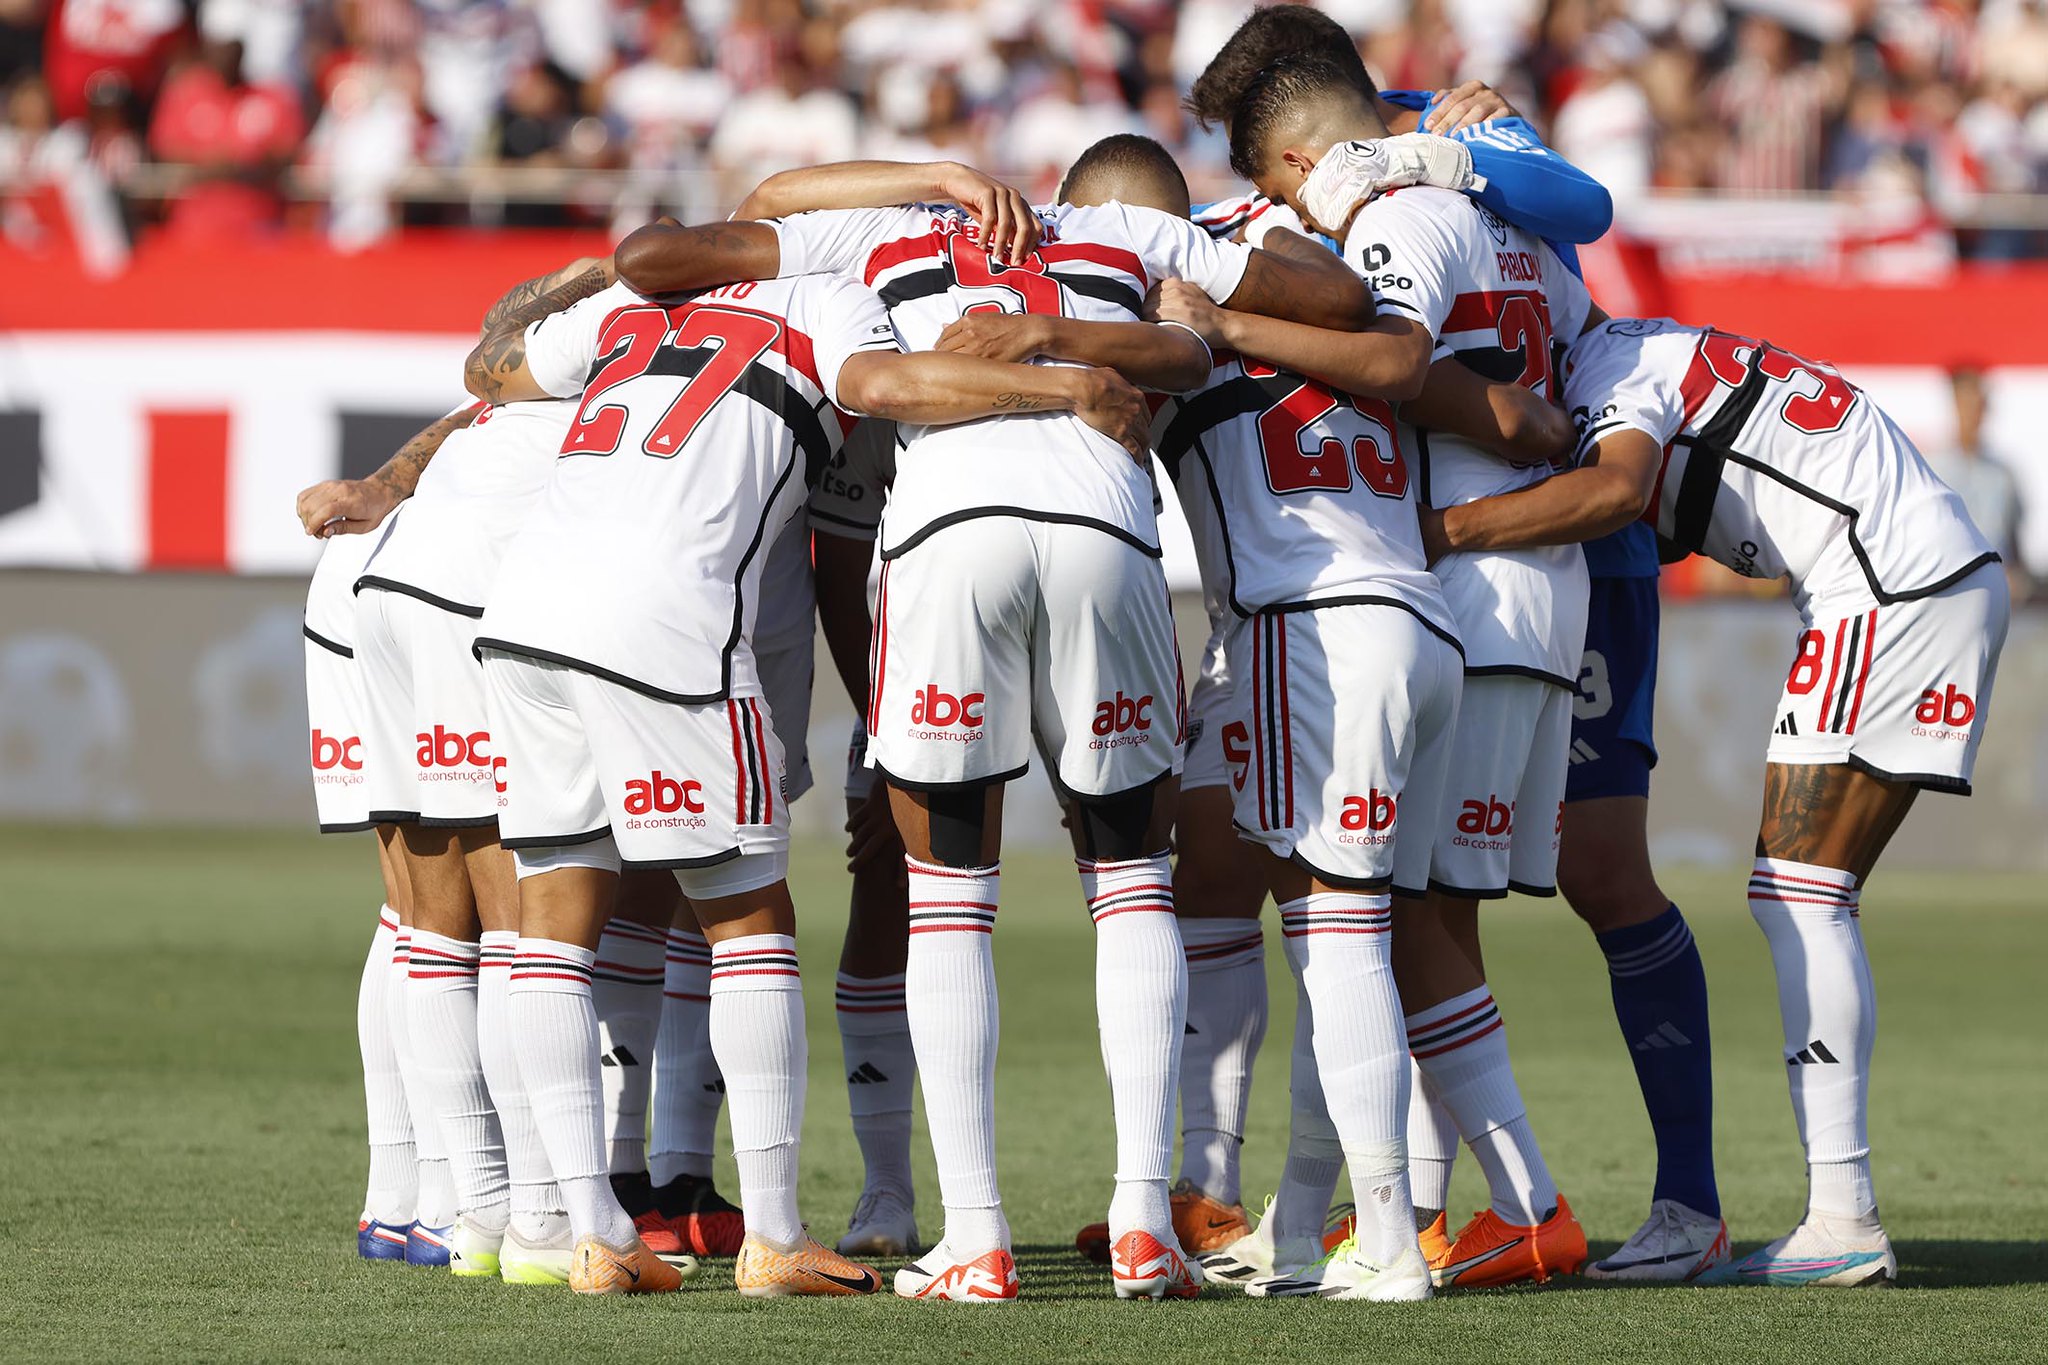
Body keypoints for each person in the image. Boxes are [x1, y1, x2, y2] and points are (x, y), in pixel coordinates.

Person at [611, 149, 1373, 1302]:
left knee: (948, 896)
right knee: (1129, 882)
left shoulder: (885, 233)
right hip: (1108, 528)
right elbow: (1337, 301)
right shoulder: (1136, 236)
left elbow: (655, 258)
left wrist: (922, 183)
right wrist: (1185, 308)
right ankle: (1141, 1221)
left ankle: (973, 1235)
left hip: (948, 532)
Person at [461, 249, 1154, 1297]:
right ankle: (775, 1236)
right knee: (749, 923)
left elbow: (493, 371)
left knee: (551, 920)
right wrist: (1068, 383)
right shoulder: (823, 297)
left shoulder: (625, 306)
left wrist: (569, 284)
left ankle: (591, 1229)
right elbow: (881, 388)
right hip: (667, 620)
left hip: (522, 617)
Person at [1180, 4, 1725, 1285]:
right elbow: (1572, 213)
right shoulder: (1514, 214)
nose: (1280, 209)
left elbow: (1392, 352)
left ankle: (1516, 1202)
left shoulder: (1403, 214)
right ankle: (1355, 1212)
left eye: (1269, 182)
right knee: (1408, 916)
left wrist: (1238, 325)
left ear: (1297, 158)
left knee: (1376, 916)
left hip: (1463, 579)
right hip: (1536, 591)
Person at [1422, 315, 2008, 1288]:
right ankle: (1819, 1213)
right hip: (1921, 575)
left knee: (1800, 898)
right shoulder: (1650, 348)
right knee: (1806, 896)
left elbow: (1614, 486)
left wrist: (1443, 528)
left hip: (1881, 585)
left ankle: (1841, 1217)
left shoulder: (1614, 369)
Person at [1922, 367, 2029, 605]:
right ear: (1955, 406)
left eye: (1979, 405)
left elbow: (2014, 538)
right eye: (1967, 404)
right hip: (1949, 592)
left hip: (1998, 595)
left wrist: (2018, 576)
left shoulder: (2003, 473)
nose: (1974, 414)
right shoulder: (1931, 468)